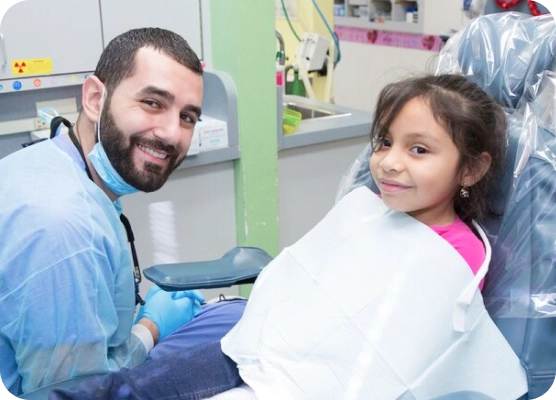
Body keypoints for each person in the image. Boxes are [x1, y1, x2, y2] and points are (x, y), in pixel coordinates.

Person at [47, 73, 507, 400]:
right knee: (125, 389)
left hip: (315, 383)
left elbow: (395, 352)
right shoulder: (367, 211)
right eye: (384, 142)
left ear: (471, 167)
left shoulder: (457, 257)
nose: (388, 162)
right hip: (256, 352)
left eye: (419, 150)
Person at [0, 28, 246, 397]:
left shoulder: (52, 166)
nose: (171, 133)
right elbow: (74, 393)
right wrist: (149, 329)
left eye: (187, 117)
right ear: (96, 99)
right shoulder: (63, 226)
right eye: (152, 103)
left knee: (237, 318)